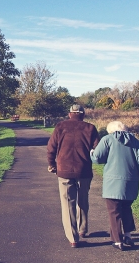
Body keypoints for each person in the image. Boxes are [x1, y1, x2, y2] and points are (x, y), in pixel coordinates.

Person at [90, 121, 139, 251]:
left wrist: (91, 152)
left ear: (110, 130)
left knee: (114, 211)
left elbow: (97, 158)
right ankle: (128, 235)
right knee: (126, 208)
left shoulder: (107, 140)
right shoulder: (136, 142)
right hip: (131, 183)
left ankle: (117, 240)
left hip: (112, 183)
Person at [47, 104, 100, 248]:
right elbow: (98, 149)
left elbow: (51, 147)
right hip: (84, 171)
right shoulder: (90, 128)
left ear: (70, 114)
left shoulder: (60, 126)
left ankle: (73, 238)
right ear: (82, 114)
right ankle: (82, 229)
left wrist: (51, 164)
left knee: (67, 203)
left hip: (64, 170)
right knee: (83, 200)